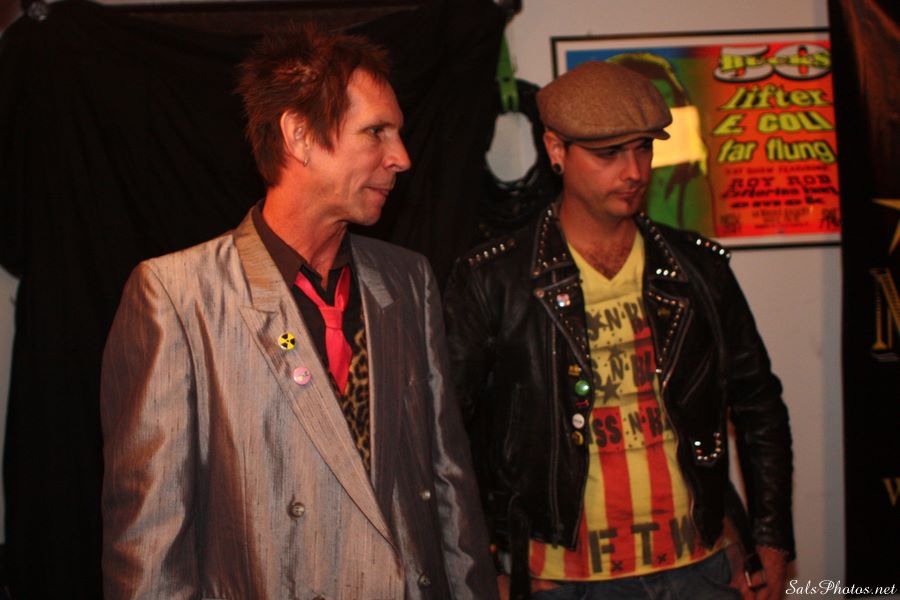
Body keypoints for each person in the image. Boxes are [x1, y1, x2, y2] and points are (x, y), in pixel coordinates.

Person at [100, 25, 497, 600]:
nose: (402, 158)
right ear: (300, 135)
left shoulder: (407, 280)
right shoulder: (177, 296)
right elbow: (149, 541)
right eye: (376, 132)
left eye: (398, 133)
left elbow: (449, 488)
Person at [443, 60, 794, 600]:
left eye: (643, 148)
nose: (634, 172)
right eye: (608, 153)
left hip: (700, 566)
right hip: (561, 579)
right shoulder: (494, 279)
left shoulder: (696, 269)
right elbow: (448, 433)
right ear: (556, 150)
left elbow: (758, 402)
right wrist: (484, 563)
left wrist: (771, 539)